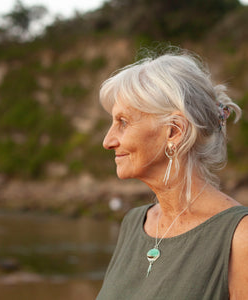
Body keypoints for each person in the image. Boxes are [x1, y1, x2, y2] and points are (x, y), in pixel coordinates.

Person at [96, 48, 248, 300]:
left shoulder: (240, 237)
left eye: (122, 122)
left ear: (174, 131)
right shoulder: (133, 223)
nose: (108, 141)